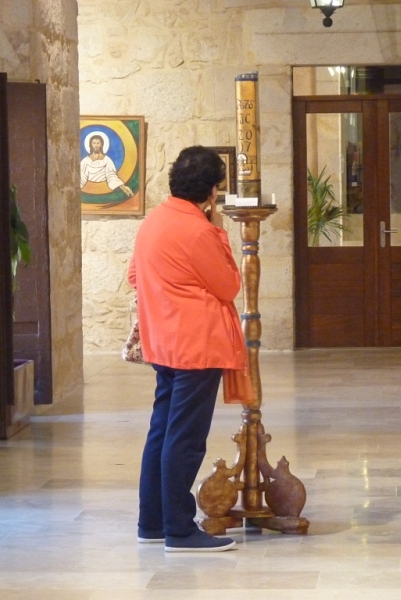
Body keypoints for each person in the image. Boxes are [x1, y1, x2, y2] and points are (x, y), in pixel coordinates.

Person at [128, 145, 248, 551]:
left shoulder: (154, 221)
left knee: (161, 432)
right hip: (197, 344)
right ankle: (179, 530)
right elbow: (230, 285)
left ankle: (153, 523)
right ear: (213, 192)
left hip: (162, 341)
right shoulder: (199, 230)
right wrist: (218, 230)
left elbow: (133, 276)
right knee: (185, 438)